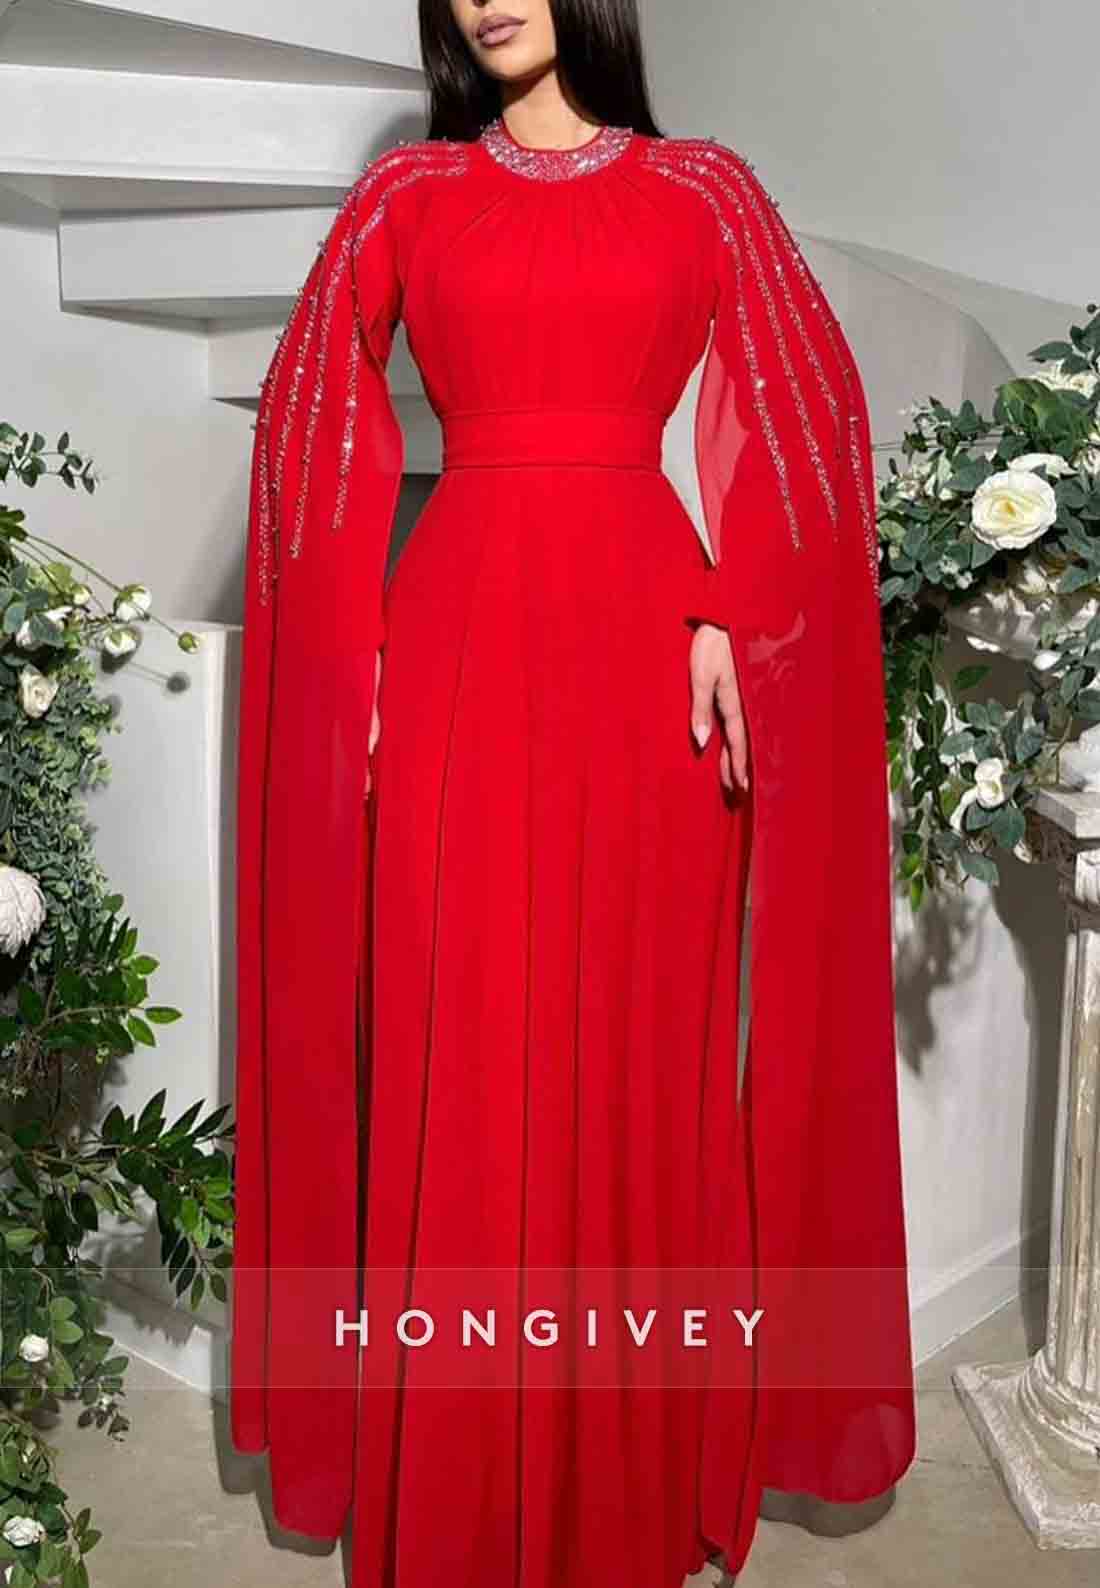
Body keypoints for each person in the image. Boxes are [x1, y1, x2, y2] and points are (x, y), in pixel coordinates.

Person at [229, 1, 916, 1583]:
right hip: (455, 642)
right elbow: (306, 430)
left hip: (645, 652)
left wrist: (738, 614)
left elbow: (812, 423)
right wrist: (347, 653)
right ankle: (462, 1484)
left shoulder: (705, 188)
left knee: (635, 1043)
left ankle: (626, 1480)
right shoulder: (408, 196)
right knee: (456, 1035)